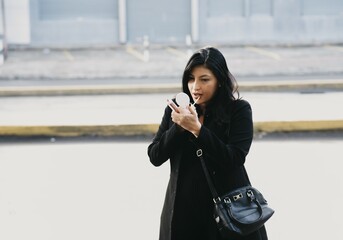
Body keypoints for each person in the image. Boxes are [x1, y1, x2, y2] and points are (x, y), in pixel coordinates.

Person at [147, 46, 268, 240]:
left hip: (226, 212)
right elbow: (155, 156)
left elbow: (234, 158)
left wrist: (198, 130)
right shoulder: (175, 111)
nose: (195, 87)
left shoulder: (238, 110)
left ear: (219, 81)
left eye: (204, 80)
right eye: (190, 79)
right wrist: (178, 128)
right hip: (182, 212)